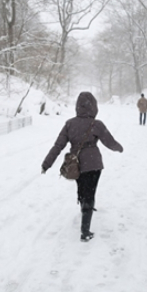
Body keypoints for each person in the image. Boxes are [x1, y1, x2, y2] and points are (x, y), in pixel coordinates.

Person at [41, 92, 124, 242]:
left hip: (77, 164)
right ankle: (85, 231)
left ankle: (84, 211)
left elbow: (58, 146)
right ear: (94, 107)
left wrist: (46, 164)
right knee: (90, 193)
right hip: (94, 164)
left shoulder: (69, 124)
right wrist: (119, 148)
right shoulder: (97, 124)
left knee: (82, 188)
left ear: (78, 106)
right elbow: (109, 142)